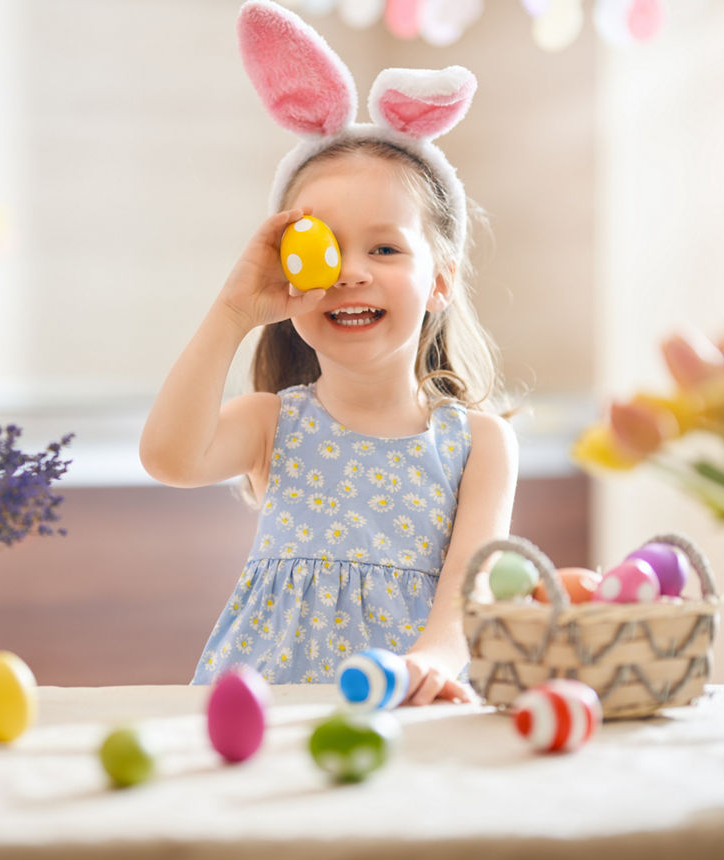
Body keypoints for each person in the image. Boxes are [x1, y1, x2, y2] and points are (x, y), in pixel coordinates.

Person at [139, 0, 518, 706]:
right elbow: (168, 456)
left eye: (384, 247)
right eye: (324, 248)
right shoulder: (270, 423)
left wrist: (420, 668)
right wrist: (232, 312)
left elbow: (467, 603)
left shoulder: (481, 445)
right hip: (260, 711)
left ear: (440, 278)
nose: (350, 271)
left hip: (399, 706)